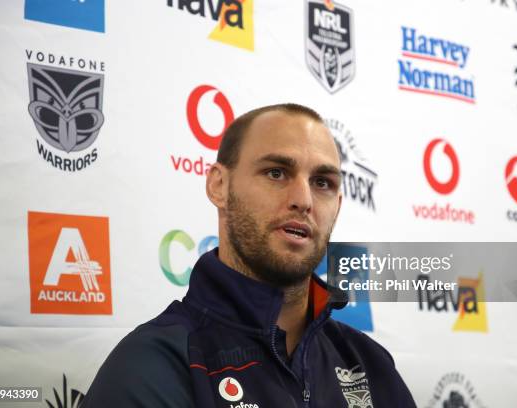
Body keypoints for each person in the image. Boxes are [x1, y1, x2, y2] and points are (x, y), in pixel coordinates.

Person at [82, 103, 416, 407]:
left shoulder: (369, 364)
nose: (304, 199)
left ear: (338, 206)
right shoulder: (153, 366)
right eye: (276, 173)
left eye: (322, 182)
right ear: (219, 186)